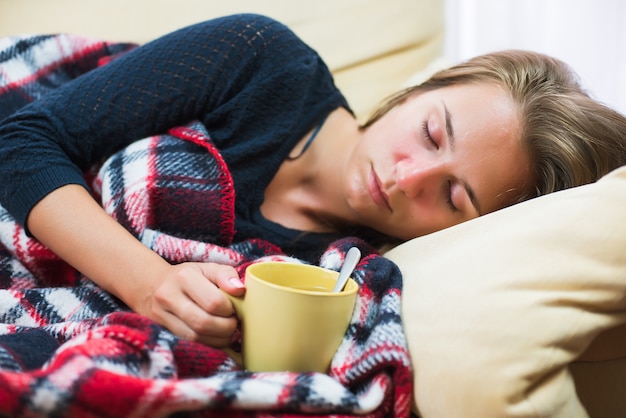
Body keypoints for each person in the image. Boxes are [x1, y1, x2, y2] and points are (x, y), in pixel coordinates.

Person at [0, 13, 625, 348]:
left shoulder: (347, 273)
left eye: (455, 196)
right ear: (419, 92)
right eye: (432, 133)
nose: (409, 178)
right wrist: (149, 281)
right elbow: (22, 141)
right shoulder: (261, 57)